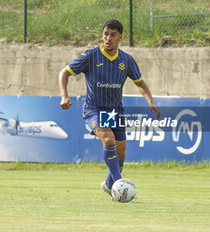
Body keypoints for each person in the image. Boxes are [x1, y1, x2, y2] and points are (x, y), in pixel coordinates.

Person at [58, 19, 161, 198]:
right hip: (94, 109)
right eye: (106, 34)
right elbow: (64, 73)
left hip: (115, 111)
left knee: (120, 154)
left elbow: (140, 82)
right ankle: (120, 187)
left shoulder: (126, 60)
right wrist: (64, 96)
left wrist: (150, 101)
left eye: (113, 35)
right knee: (108, 139)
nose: (108, 38)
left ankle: (109, 184)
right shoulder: (90, 56)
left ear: (120, 37)